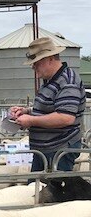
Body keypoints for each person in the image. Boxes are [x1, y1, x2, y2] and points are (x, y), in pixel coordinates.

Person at [9, 37, 86, 172]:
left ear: (49, 59)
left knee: (50, 192)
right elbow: (53, 108)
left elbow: (65, 117)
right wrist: (27, 111)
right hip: (47, 151)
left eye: (36, 63)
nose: (33, 67)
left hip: (58, 151)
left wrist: (31, 120)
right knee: (36, 190)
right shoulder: (51, 80)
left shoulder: (68, 82)